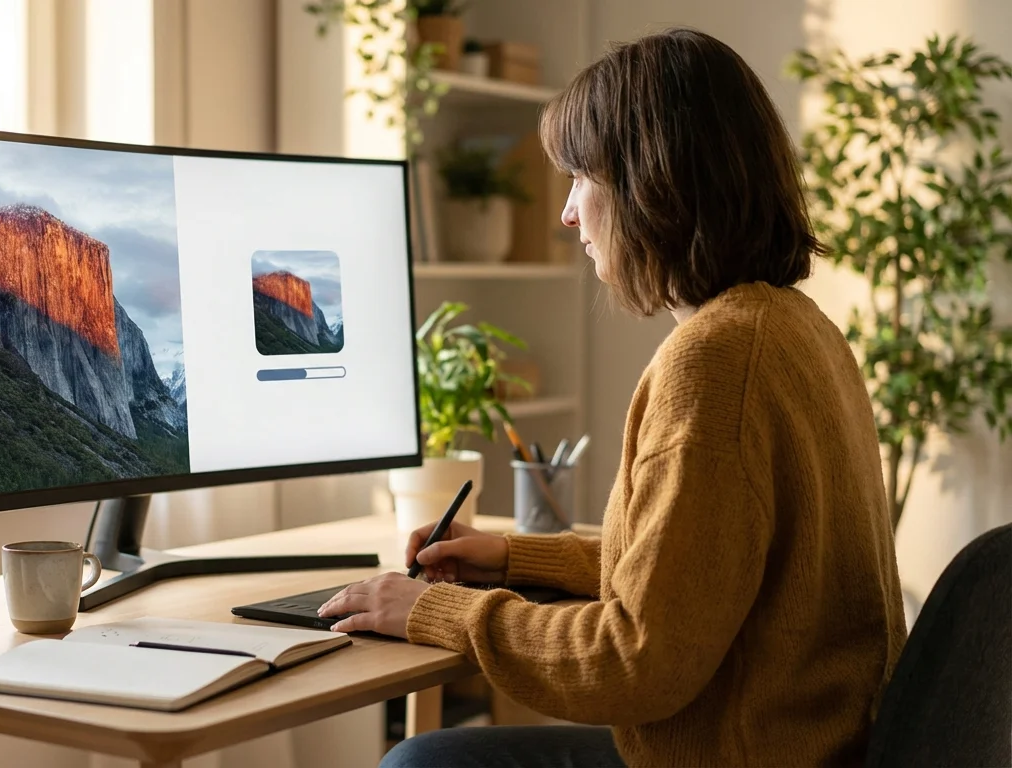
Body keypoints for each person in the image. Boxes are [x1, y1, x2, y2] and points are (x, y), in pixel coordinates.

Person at [318, 26, 907, 768]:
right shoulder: (798, 328)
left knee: (419, 763)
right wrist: (511, 557)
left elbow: (634, 658)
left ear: (650, 186)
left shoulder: (716, 362)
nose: (568, 214)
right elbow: (694, 567)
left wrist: (437, 610)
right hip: (815, 748)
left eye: (580, 179)